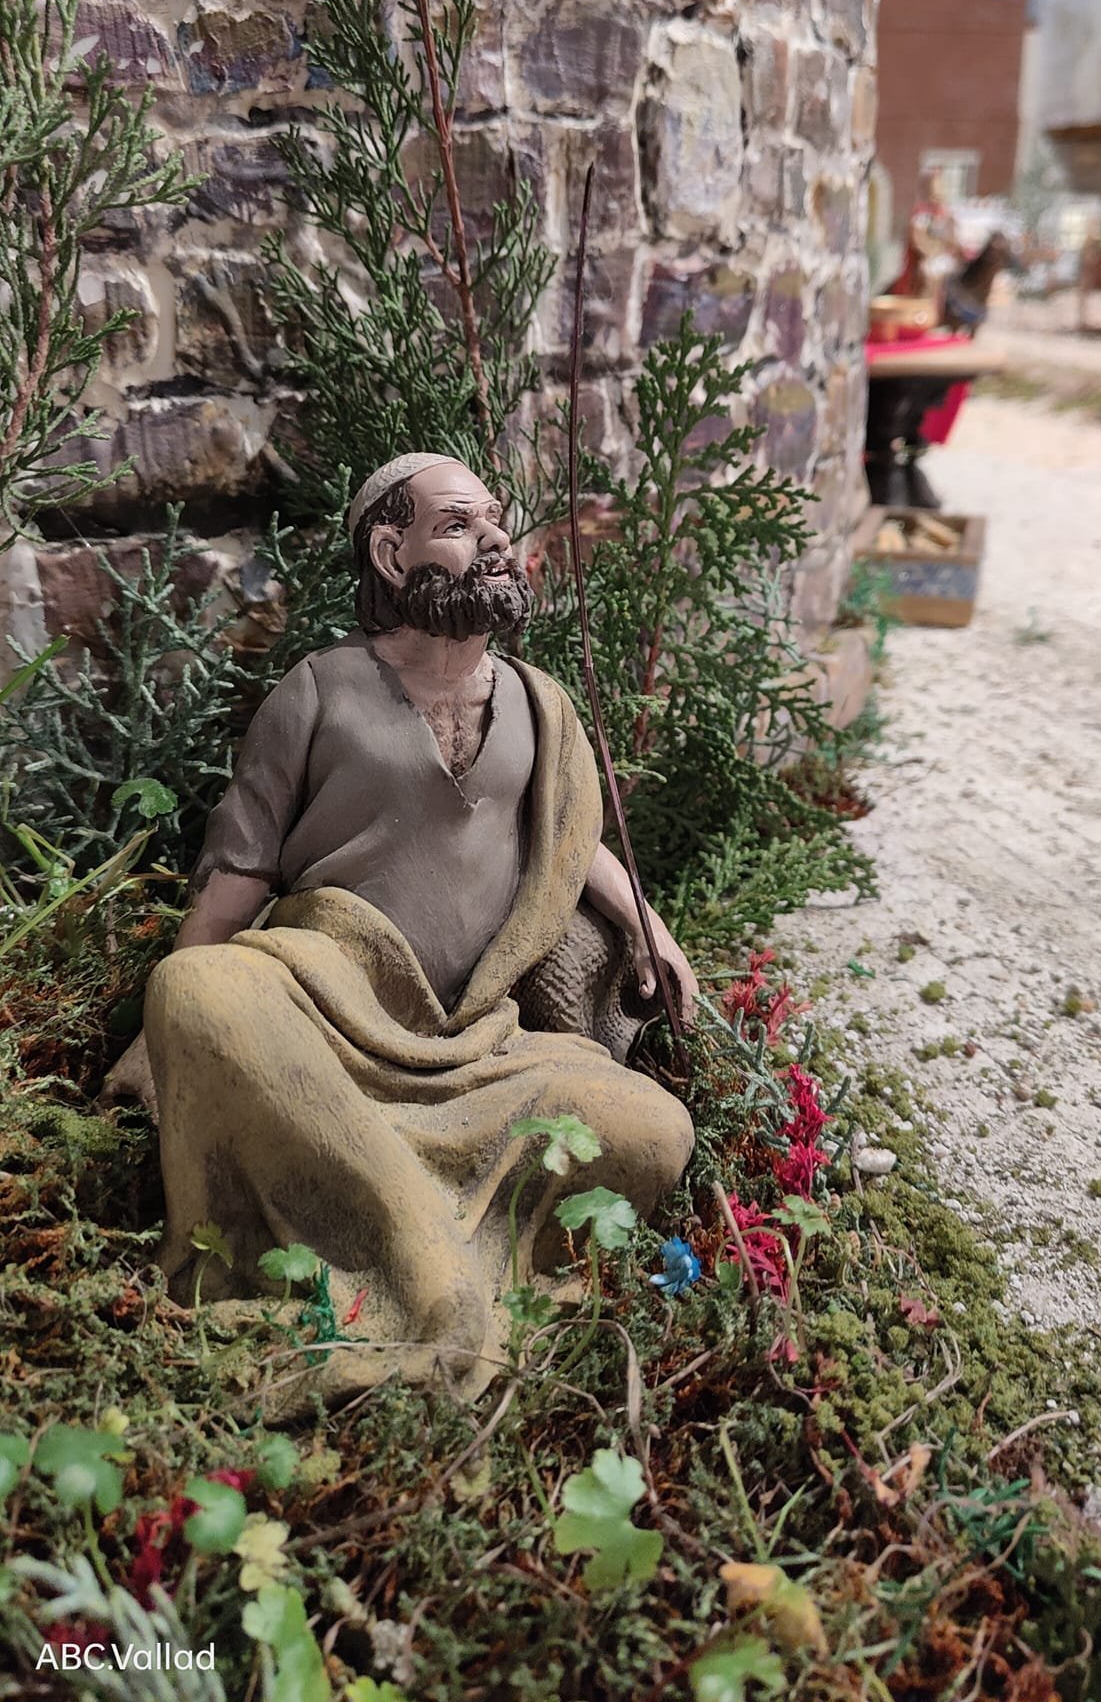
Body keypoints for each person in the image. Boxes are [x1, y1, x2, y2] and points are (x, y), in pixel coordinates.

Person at [102, 453, 695, 1400]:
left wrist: (648, 929)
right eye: (462, 525)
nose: (496, 540)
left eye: (495, 521)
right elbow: (236, 876)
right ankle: (426, 1274)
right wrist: (152, 1039)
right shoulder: (320, 689)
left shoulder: (542, 704)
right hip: (320, 1005)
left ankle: (425, 1246)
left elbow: (571, 835)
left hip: (474, 1048)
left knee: (653, 1128)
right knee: (197, 990)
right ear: (391, 549)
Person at [890, 168, 964, 316]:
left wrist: (952, 247)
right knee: (929, 272)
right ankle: (926, 310)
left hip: (944, 255)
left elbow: (952, 237)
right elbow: (917, 239)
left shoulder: (946, 214)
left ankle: (955, 308)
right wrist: (931, 252)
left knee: (959, 271)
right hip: (926, 256)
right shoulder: (921, 213)